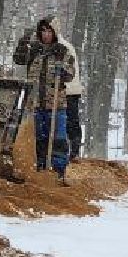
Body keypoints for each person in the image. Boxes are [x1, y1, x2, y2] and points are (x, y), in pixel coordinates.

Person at [13, 17, 76, 182]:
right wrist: (23, 41)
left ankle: (58, 170)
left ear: (54, 33)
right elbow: (18, 59)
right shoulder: (34, 51)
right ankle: (40, 167)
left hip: (56, 103)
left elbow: (70, 73)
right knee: (39, 138)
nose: (46, 35)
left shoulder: (62, 51)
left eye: (49, 31)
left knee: (58, 138)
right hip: (35, 103)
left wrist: (63, 70)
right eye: (43, 31)